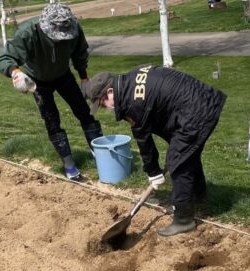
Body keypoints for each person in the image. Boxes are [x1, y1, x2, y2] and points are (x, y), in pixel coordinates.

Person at [85, 65, 226, 237]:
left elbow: (143, 139)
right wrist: (154, 170)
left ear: (110, 92)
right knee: (186, 154)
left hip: (197, 111)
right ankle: (198, 195)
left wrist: (153, 172)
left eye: (102, 103)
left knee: (177, 162)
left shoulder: (132, 102)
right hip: (200, 101)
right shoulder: (130, 78)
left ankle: (183, 220)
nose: (106, 108)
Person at [0, 3, 103, 181]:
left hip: (64, 75)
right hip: (37, 81)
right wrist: (15, 73)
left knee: (84, 112)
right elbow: (3, 58)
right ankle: (69, 165)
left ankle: (100, 154)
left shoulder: (73, 28)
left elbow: (80, 52)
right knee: (52, 120)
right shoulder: (28, 32)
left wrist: (84, 78)